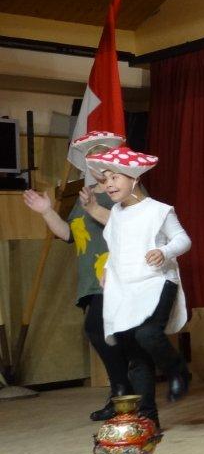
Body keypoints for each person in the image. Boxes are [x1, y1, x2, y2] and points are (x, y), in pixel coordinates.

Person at [21, 131, 132, 421]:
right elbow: (69, 234)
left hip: (114, 275)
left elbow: (129, 226)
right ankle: (123, 394)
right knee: (105, 334)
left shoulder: (122, 191)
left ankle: (123, 393)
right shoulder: (87, 194)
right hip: (90, 280)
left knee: (98, 330)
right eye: (89, 157)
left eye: (99, 155)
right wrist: (46, 211)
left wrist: (95, 208)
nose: (93, 162)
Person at [85, 145, 191, 430]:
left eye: (115, 177)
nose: (108, 183)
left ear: (134, 179)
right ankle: (148, 417)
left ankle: (177, 369)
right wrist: (108, 272)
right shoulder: (117, 214)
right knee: (135, 352)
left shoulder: (159, 210)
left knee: (147, 333)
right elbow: (117, 248)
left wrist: (165, 251)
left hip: (158, 282)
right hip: (126, 287)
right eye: (105, 178)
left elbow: (183, 240)